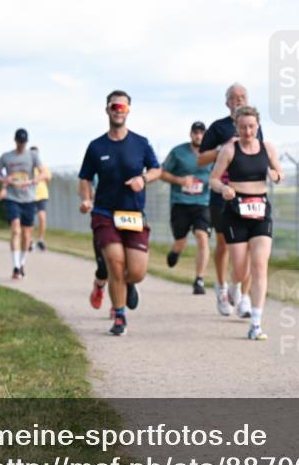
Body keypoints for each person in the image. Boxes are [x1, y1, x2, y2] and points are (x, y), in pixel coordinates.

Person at [78, 90, 161, 335]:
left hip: (133, 213)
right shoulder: (96, 146)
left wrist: (143, 179)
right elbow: (84, 178)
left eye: (122, 108)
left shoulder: (141, 143)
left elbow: (157, 170)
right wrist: (86, 199)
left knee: (136, 271)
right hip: (104, 213)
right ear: (107, 110)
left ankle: (128, 285)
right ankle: (119, 316)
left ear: (128, 111)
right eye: (114, 107)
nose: (118, 111)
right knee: (115, 264)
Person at [208, 107, 284, 341]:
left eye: (251, 126)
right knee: (240, 269)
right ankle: (233, 287)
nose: (247, 131)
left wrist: (275, 175)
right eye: (243, 127)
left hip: (260, 210)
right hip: (235, 210)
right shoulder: (230, 150)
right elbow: (213, 179)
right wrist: (224, 188)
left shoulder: (267, 148)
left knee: (259, 265)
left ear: (257, 127)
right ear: (237, 128)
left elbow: (280, 172)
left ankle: (256, 324)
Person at [198, 83, 263, 317]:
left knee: (249, 247)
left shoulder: (256, 127)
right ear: (227, 102)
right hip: (222, 195)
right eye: (234, 97)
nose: (239, 100)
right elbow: (201, 160)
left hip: (251, 195)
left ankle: (244, 297)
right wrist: (222, 150)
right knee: (225, 244)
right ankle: (221, 286)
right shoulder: (217, 128)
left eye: (242, 96)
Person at [160, 121, 213, 294]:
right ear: (190, 134)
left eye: (201, 133)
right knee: (180, 241)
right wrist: (179, 180)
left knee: (202, 237)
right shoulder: (178, 152)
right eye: (195, 133)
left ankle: (199, 280)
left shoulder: (212, 154)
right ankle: (175, 252)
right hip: (180, 203)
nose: (198, 136)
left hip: (202, 203)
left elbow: (219, 172)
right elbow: (162, 173)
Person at [0, 129, 44, 280]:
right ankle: (15, 267)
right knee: (15, 230)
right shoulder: (7, 156)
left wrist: (34, 180)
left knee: (26, 235)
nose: (22, 144)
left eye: (24, 142)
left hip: (29, 198)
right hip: (12, 197)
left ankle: (22, 263)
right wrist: (4, 180)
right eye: (20, 142)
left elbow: (43, 173)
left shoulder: (33, 156)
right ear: (15, 140)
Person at [30, 145, 51, 252]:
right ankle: (29, 240)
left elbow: (47, 178)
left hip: (41, 195)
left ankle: (41, 240)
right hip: (30, 196)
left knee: (42, 217)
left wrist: (39, 177)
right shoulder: (27, 167)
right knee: (30, 220)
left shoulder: (43, 167)